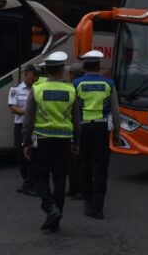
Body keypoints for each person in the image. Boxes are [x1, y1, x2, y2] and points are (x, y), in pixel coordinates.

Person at [22, 51, 81, 233]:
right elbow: (76, 120)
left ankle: (50, 208)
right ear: (62, 70)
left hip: (42, 140)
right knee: (60, 179)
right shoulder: (71, 90)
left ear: (46, 70)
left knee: (39, 177)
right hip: (63, 142)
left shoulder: (37, 89)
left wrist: (25, 142)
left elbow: (29, 119)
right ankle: (56, 220)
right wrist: (77, 142)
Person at [73, 50, 122, 220]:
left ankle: (88, 202)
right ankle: (98, 208)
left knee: (84, 167)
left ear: (84, 66)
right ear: (99, 66)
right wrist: (117, 132)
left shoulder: (76, 83)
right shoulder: (109, 84)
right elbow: (116, 111)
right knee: (100, 170)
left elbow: (73, 111)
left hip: (83, 129)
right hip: (102, 130)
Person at [8, 64, 39, 196]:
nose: (36, 78)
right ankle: (27, 181)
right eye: (34, 75)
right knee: (20, 155)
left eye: (37, 75)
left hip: (34, 127)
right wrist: (27, 113)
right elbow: (12, 108)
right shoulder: (16, 89)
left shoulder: (38, 89)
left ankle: (29, 184)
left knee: (32, 155)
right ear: (26, 73)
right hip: (20, 126)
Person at [66, 62, 85, 201]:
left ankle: (78, 189)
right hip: (86, 125)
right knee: (74, 160)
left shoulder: (73, 87)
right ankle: (74, 188)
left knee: (76, 160)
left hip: (76, 126)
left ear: (72, 74)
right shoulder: (81, 85)